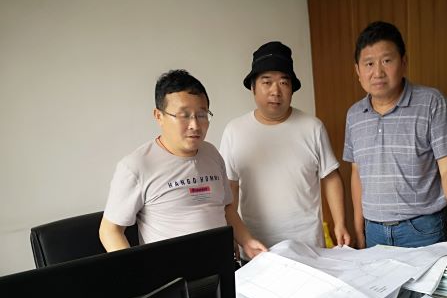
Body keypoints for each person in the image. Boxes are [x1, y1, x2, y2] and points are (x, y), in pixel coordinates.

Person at [99, 69, 266, 259]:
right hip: (171, 274)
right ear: (159, 116)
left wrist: (247, 241)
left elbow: (227, 208)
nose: (195, 125)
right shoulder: (136, 166)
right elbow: (109, 230)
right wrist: (136, 272)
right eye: (184, 115)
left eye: (202, 115)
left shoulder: (212, 154)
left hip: (222, 268)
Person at [344, 21, 447, 253]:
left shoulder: (431, 102)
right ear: (358, 71)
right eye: (369, 64)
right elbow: (357, 173)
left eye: (387, 61)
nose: (378, 72)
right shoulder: (354, 115)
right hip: (373, 230)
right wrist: (359, 228)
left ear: (404, 62)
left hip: (422, 229)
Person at [220, 41, 350, 254]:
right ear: (253, 87)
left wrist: (340, 223)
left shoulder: (312, 127)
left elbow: (331, 177)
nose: (275, 91)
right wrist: (233, 235)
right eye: (266, 82)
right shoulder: (235, 131)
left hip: (308, 245)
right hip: (256, 247)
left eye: (283, 82)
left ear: (291, 89)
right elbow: (229, 189)